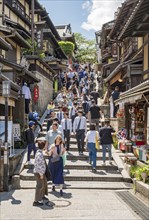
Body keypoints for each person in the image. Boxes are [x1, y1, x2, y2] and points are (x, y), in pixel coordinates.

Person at [33, 141, 48, 206]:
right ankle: (36, 201)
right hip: (38, 172)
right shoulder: (39, 154)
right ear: (43, 146)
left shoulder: (39, 152)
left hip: (39, 172)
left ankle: (41, 197)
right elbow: (39, 165)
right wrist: (41, 174)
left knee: (43, 184)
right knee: (39, 186)